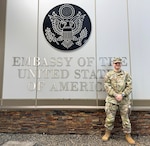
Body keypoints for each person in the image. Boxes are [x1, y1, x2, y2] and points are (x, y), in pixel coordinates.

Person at [102, 57, 135, 145]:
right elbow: (107, 86)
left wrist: (122, 94)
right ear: (113, 64)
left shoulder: (126, 74)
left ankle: (128, 135)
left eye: (119, 63)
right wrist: (116, 95)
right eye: (116, 63)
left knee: (126, 119)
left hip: (124, 101)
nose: (117, 65)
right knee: (109, 118)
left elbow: (129, 86)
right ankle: (107, 133)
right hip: (112, 100)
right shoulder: (109, 75)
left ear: (121, 64)